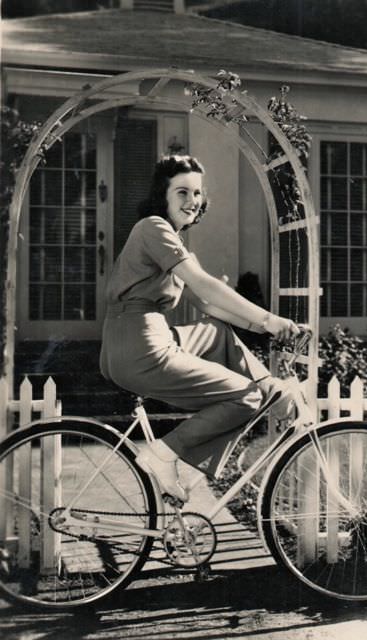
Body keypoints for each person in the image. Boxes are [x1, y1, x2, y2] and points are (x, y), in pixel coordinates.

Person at [100, 155, 299, 502]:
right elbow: (204, 286)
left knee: (215, 330)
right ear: (162, 194)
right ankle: (163, 453)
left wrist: (267, 328)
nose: (193, 201)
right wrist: (270, 319)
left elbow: (208, 305)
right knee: (245, 396)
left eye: (197, 193)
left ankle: (273, 391)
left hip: (139, 339)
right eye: (182, 192)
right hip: (140, 348)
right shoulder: (153, 228)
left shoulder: (170, 239)